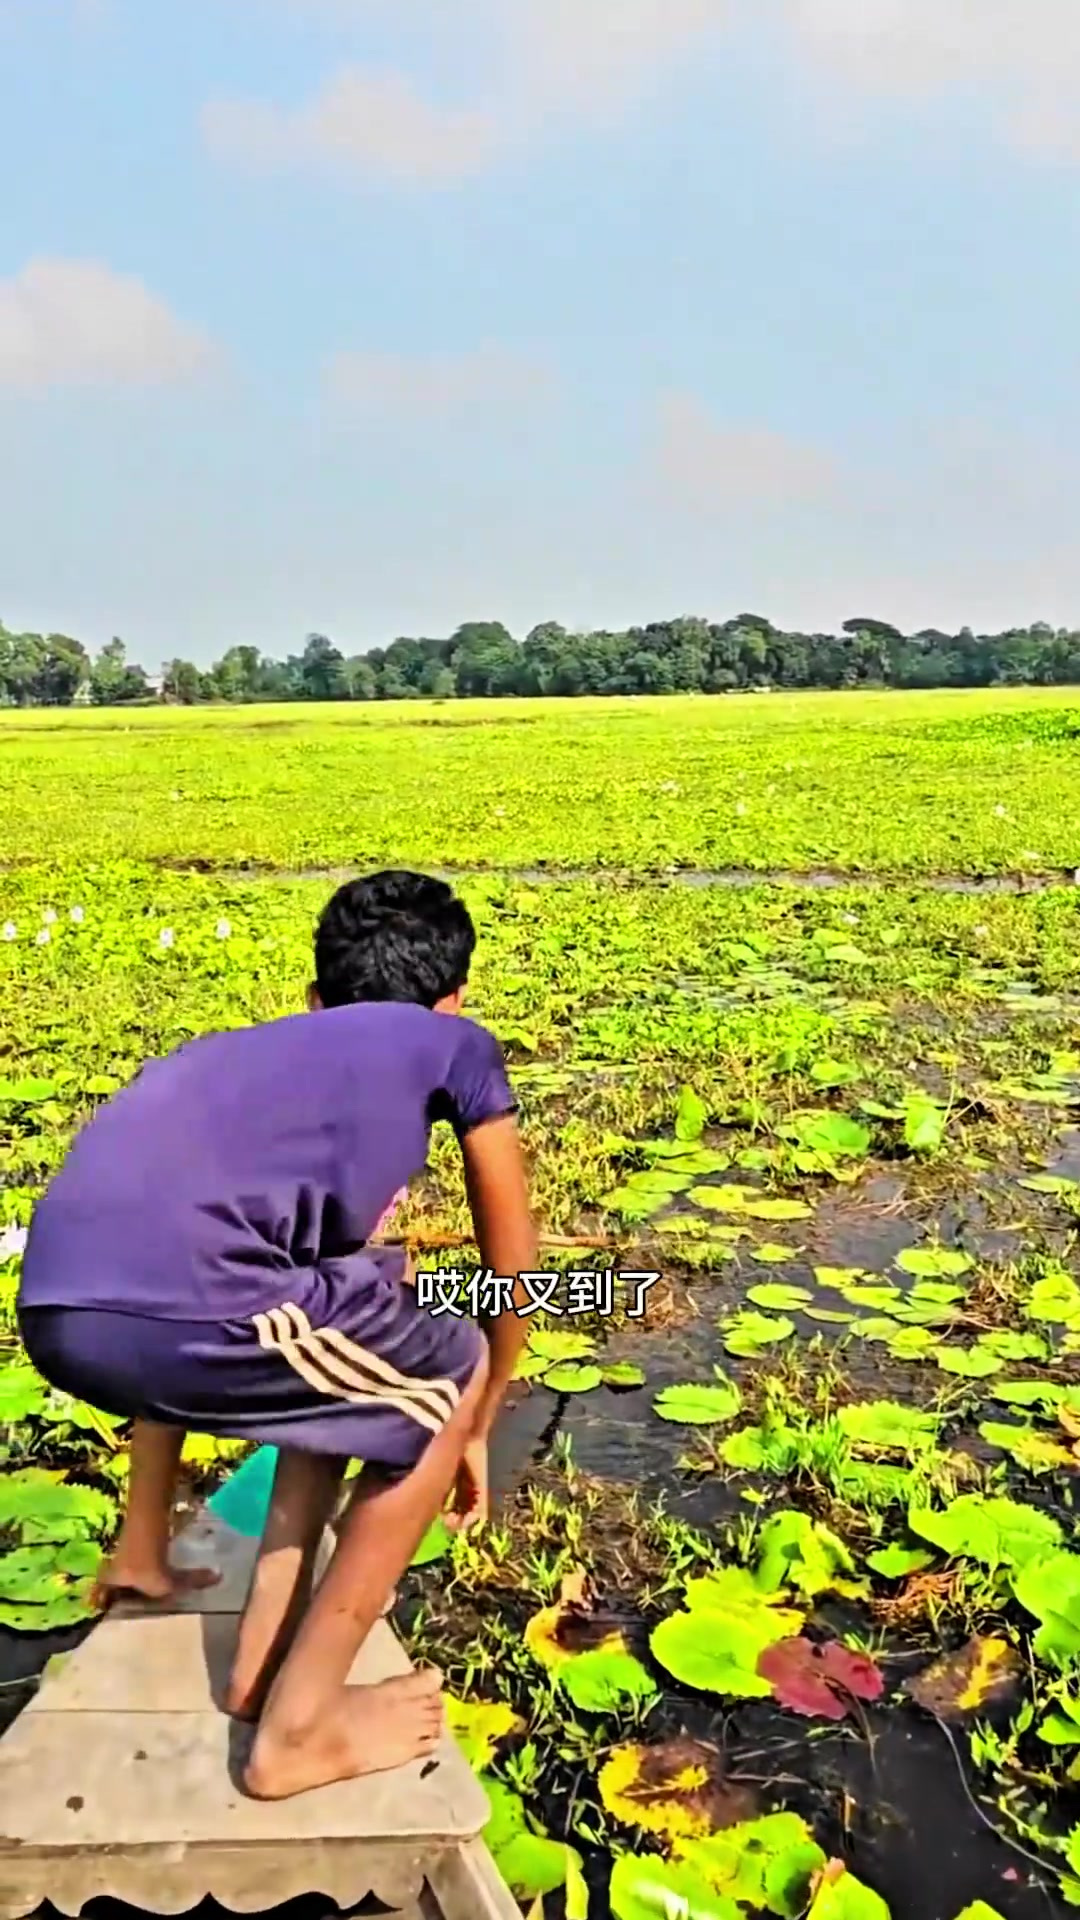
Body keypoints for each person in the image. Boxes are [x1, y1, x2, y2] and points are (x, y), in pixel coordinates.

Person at [16, 870, 538, 1801]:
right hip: (192, 1309)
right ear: (453, 1004)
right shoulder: (455, 1045)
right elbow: (511, 1265)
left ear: (314, 1000)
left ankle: (247, 1644)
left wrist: (145, 1536)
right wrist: (476, 1415)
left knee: (363, 1302)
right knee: (445, 1363)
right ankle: (296, 1730)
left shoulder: (225, 1059)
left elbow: (163, 1270)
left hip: (58, 1305)